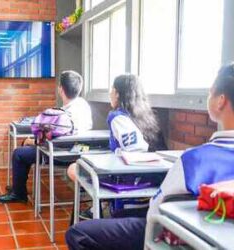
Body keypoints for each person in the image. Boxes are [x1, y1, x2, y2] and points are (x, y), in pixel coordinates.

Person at [65, 63, 234, 250]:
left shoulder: (196, 160)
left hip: (176, 235)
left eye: (210, 92)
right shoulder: (147, 115)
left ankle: (96, 212)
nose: (111, 94)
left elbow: (155, 212)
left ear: (221, 101)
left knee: (78, 232)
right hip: (216, 234)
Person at [0, 70, 93, 203]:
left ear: (61, 89)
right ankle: (17, 187)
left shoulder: (61, 115)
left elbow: (46, 140)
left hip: (58, 154)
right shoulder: (84, 106)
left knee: (19, 153)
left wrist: (30, 141)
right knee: (26, 147)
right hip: (79, 153)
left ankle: (19, 193)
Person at [67, 74, 166, 182]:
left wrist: (115, 154)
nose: (110, 94)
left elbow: (135, 150)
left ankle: (100, 196)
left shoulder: (118, 118)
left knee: (73, 169)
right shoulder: (146, 115)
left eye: (112, 90)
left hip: (131, 177)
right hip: (155, 174)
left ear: (118, 94)